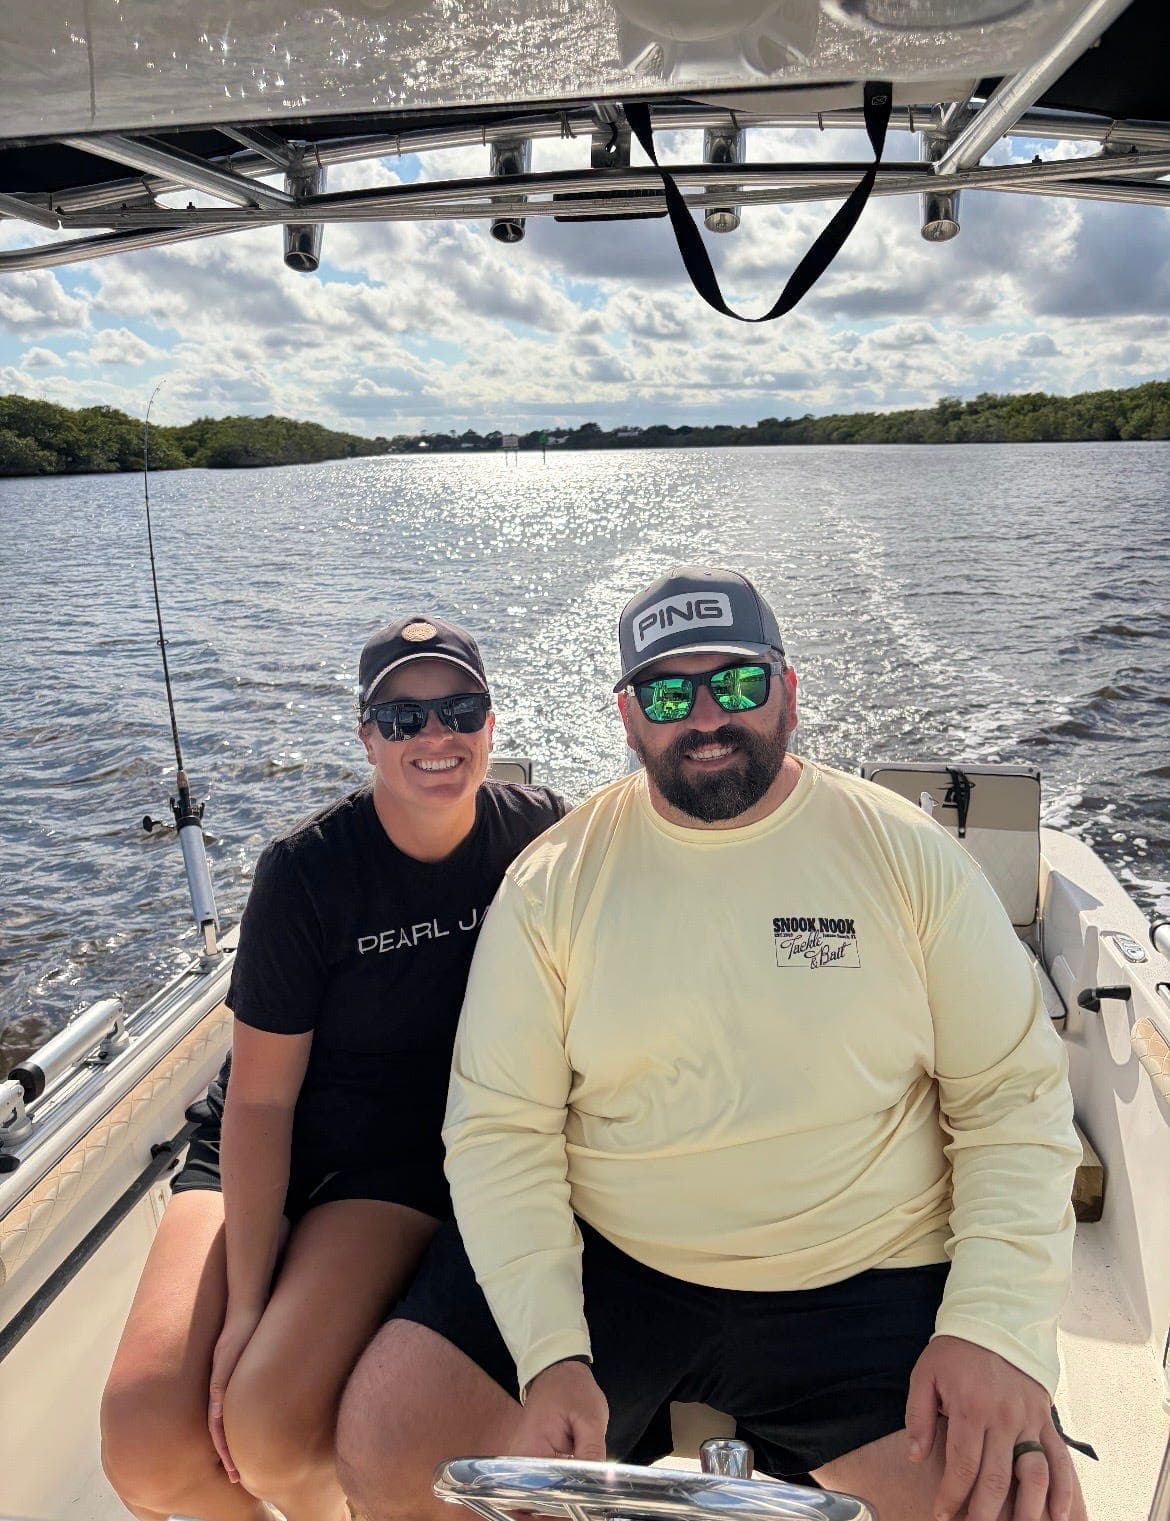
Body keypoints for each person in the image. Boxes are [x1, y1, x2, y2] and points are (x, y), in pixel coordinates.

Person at [337, 567, 1087, 1521]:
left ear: (789, 688)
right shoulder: (553, 883)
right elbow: (501, 1130)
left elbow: (1012, 1098)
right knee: (391, 1450)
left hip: (866, 1272)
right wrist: (551, 1350)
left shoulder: (906, 855)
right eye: (666, 692)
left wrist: (994, 1329)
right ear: (627, 716)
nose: (705, 717)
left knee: (1020, 1510)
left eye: (736, 683)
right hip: (610, 1259)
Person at [100, 614, 566, 1521]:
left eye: (459, 709)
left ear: (492, 723)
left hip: (390, 1166)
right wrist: (243, 1304)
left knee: (269, 1425)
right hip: (257, 1136)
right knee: (145, 1439)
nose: (435, 736)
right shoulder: (305, 873)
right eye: (402, 720)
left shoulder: (540, 840)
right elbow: (262, 1104)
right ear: (366, 736)